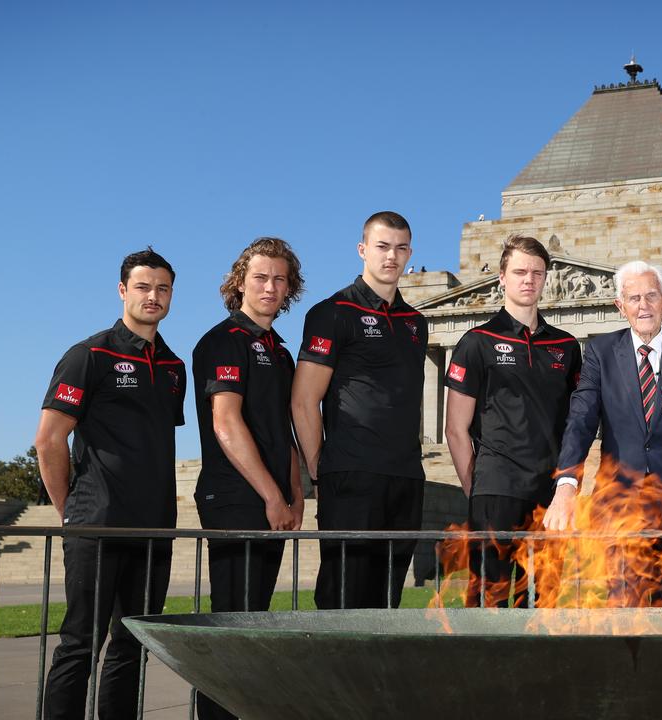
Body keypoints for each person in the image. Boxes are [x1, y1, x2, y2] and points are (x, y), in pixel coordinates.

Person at [34, 247, 185, 719]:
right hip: (96, 525)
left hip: (154, 530)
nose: (153, 296)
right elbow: (49, 440)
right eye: (143, 287)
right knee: (80, 644)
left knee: (131, 646)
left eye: (162, 289)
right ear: (123, 291)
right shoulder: (88, 355)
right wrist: (72, 509)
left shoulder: (174, 366)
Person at [544, 260, 662, 607]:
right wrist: (567, 485)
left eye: (651, 296)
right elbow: (581, 420)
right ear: (620, 305)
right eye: (634, 298)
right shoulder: (600, 353)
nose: (643, 306)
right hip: (619, 508)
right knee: (625, 613)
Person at [191, 237, 305, 719]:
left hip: (274, 501)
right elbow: (226, 424)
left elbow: (286, 427)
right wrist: (272, 495)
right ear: (240, 282)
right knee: (230, 633)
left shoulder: (279, 350)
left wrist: (297, 494)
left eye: (280, 279)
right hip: (236, 499)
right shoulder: (222, 340)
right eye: (260, 277)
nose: (270, 287)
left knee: (254, 624)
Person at [291, 211, 428, 609]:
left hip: (405, 477)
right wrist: (320, 468)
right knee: (342, 599)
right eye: (383, 247)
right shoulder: (332, 312)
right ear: (363, 250)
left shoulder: (416, 323)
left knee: (387, 603)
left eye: (401, 248)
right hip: (351, 475)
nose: (392, 256)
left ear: (410, 254)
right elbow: (303, 400)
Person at [444, 235, 581, 607]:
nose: (528, 280)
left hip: (549, 494)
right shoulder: (477, 342)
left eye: (537, 273)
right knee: (490, 601)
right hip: (496, 489)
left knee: (546, 603)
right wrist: (476, 488)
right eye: (519, 271)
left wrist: (568, 484)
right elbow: (455, 429)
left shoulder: (566, 347)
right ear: (501, 277)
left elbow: (576, 423)